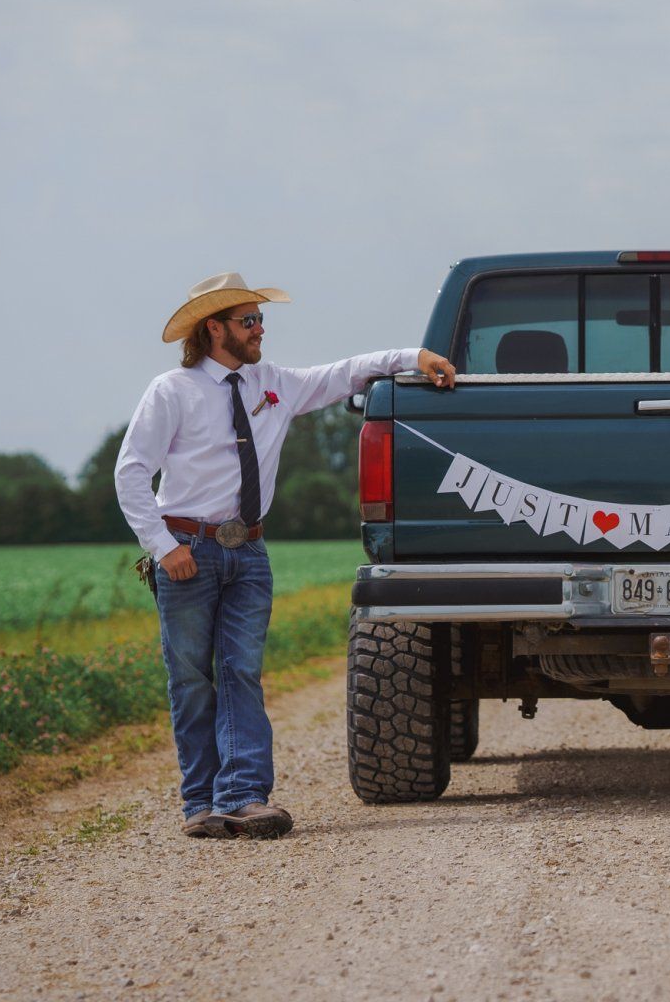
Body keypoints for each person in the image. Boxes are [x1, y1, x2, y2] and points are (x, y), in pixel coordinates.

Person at [115, 272, 456, 840]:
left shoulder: (271, 382)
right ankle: (201, 804)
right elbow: (130, 473)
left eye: (260, 319)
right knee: (193, 680)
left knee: (241, 671)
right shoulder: (171, 392)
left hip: (249, 551)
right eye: (249, 321)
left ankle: (245, 796)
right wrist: (164, 547)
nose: (259, 329)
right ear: (214, 328)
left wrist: (414, 356)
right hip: (188, 553)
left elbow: (345, 371)